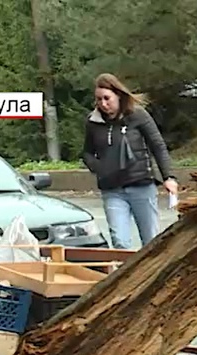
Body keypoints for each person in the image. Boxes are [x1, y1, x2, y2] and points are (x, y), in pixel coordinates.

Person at [80, 73, 179, 249]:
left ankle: (150, 274)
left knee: (151, 241)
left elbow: (157, 145)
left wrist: (168, 177)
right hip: (112, 190)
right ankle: (124, 273)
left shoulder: (138, 115)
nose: (103, 104)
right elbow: (87, 152)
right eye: (99, 99)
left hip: (141, 185)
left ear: (118, 95)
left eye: (107, 98)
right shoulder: (93, 122)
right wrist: (99, 167)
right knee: (120, 241)